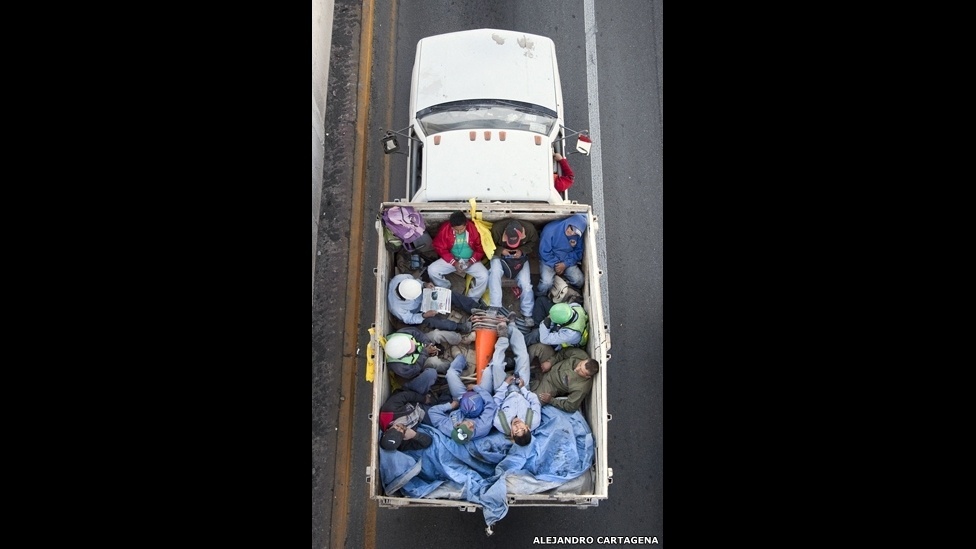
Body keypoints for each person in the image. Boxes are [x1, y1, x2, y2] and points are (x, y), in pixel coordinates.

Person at [428, 211, 490, 300]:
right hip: (452, 259)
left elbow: (480, 249)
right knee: (432, 270)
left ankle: (472, 299)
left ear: (466, 224)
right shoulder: (445, 229)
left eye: (462, 229)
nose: (459, 232)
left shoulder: (473, 228)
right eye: (456, 230)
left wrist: (470, 262)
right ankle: (445, 288)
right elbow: (440, 248)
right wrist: (454, 262)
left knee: (484, 275)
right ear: (451, 226)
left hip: (470, 260)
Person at [488, 219, 538, 326]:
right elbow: (488, 244)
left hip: (520, 257)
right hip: (500, 256)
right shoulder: (497, 230)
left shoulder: (529, 230)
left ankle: (527, 314)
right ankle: (494, 306)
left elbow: (533, 243)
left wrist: (522, 251)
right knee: (495, 273)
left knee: (525, 283)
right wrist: (501, 250)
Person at [388, 274, 472, 333]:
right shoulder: (396, 308)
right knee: (432, 321)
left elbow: (416, 282)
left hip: (424, 294)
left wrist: (424, 284)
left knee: (448, 294)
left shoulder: (402, 278)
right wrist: (424, 315)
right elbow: (409, 319)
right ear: (407, 299)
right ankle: (459, 327)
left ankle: (473, 307)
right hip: (417, 311)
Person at [531, 347, 599, 414]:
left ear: (587, 376)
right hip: (553, 365)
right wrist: (550, 362)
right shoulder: (580, 355)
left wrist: (551, 400)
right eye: (580, 365)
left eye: (581, 371)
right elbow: (563, 353)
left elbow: (570, 406)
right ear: (585, 360)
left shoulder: (582, 388)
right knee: (541, 348)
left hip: (550, 385)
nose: (577, 369)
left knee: (535, 401)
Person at [536, 213, 587, 296]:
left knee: (579, 281)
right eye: (571, 228)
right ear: (569, 222)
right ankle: (540, 296)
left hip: (566, 260)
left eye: (576, 233)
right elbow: (544, 252)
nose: (572, 233)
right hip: (549, 260)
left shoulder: (577, 236)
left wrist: (565, 264)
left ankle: (564, 288)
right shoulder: (550, 230)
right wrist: (556, 265)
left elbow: (578, 252)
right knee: (546, 283)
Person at [383, 328, 440, 395]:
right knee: (434, 362)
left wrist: (427, 345)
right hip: (415, 373)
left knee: (436, 335)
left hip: (422, 352)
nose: (414, 345)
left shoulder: (402, 333)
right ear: (403, 355)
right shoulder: (399, 367)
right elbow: (415, 369)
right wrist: (425, 352)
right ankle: (448, 366)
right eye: (411, 349)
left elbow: (417, 334)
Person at [523, 301, 589, 350]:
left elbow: (544, 339)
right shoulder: (575, 306)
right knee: (542, 301)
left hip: (561, 344)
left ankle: (522, 343)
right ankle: (536, 327)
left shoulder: (571, 334)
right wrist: (551, 317)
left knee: (537, 333)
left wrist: (544, 324)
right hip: (563, 327)